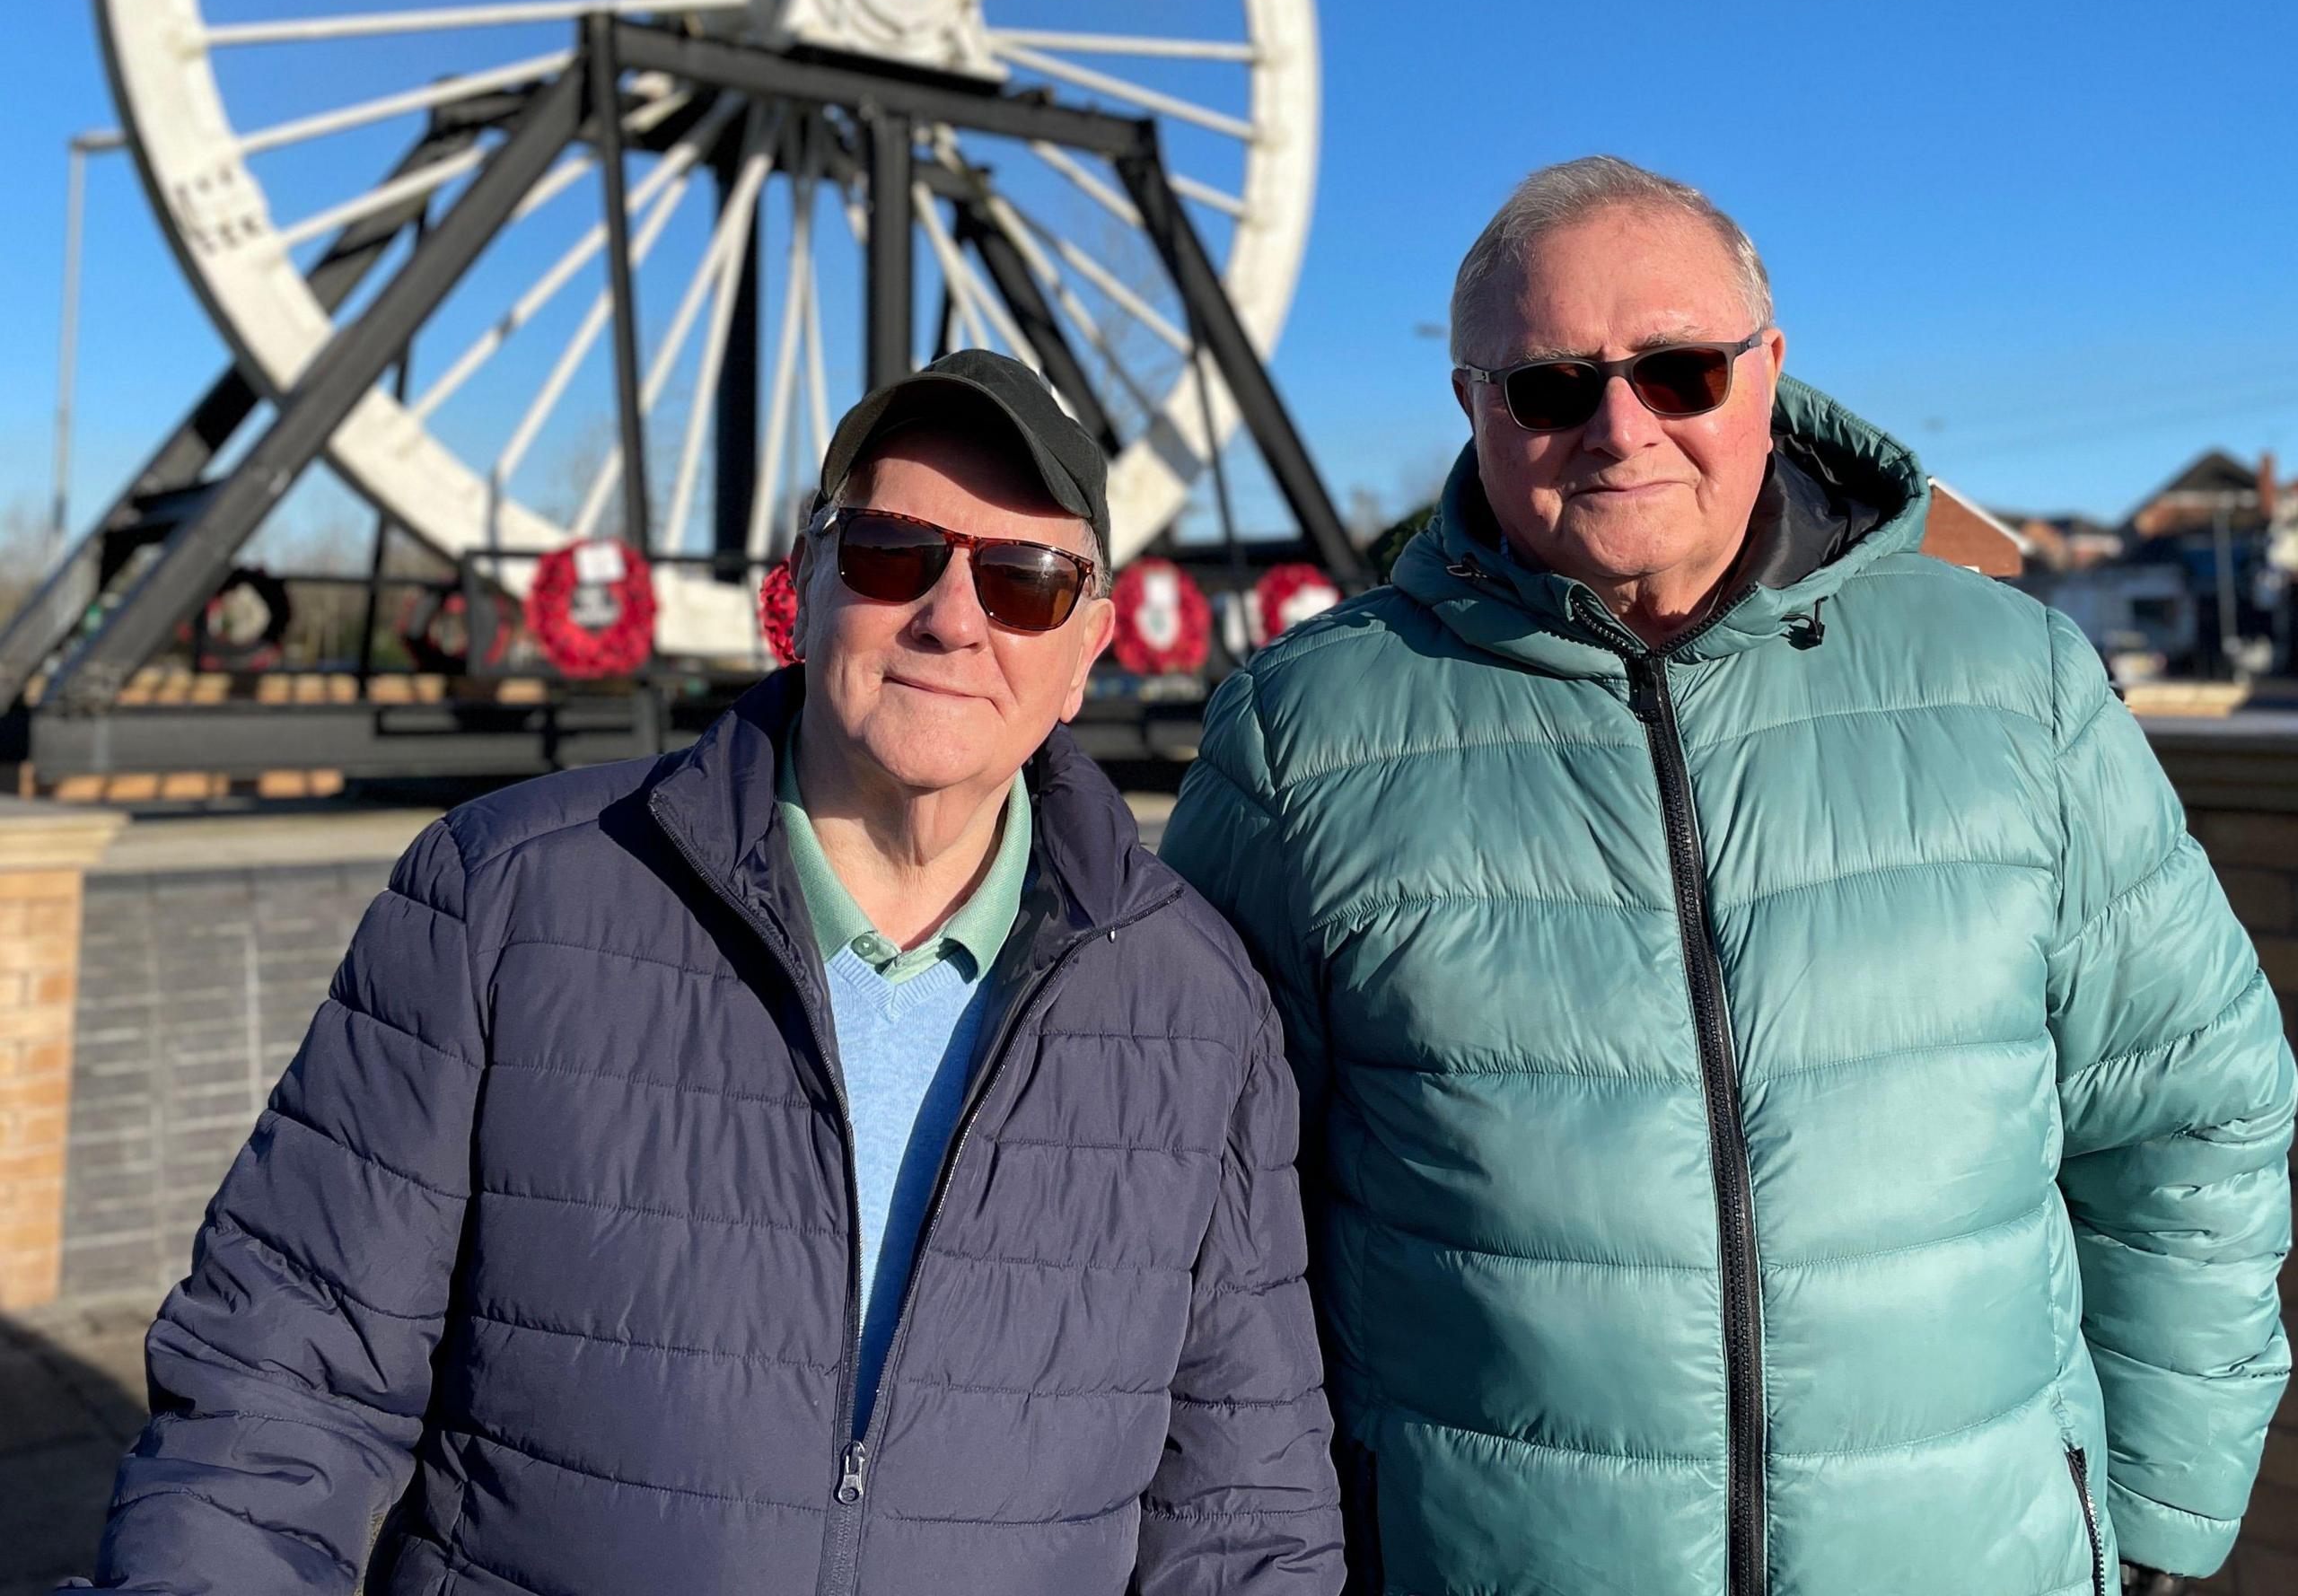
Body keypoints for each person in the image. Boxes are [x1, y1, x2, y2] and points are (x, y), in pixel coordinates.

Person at [1163, 157, 2294, 1596]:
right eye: (1552, 386)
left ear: (1770, 371)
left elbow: (2195, 1115)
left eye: (1681, 370)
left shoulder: (2017, 689)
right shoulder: (1305, 735)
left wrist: (2146, 1520)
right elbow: (1208, 1213)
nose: (1621, 429)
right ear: (1474, 407)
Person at [75, 350, 1341, 1596]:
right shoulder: (503, 900)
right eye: (896, 555)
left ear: (1089, 652)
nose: (955, 618)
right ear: (807, 584)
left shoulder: (1197, 1007)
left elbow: (1243, 1513)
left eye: (1025, 584)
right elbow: (278, 1393)